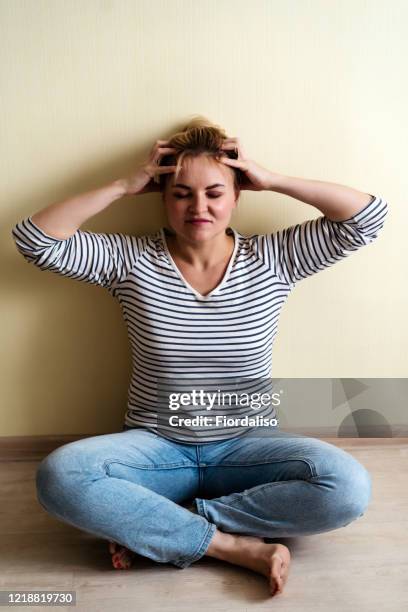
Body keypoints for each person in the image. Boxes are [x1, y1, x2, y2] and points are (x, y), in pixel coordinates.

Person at [11, 116, 388, 598]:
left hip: (247, 447)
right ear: (162, 198)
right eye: (181, 193)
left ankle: (175, 526)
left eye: (214, 192)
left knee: (348, 488)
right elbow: (34, 240)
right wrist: (126, 184)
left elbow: (368, 217)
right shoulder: (129, 260)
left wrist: (272, 178)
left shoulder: (275, 259)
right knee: (59, 477)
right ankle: (235, 547)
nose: (198, 207)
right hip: (155, 449)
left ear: (237, 195)